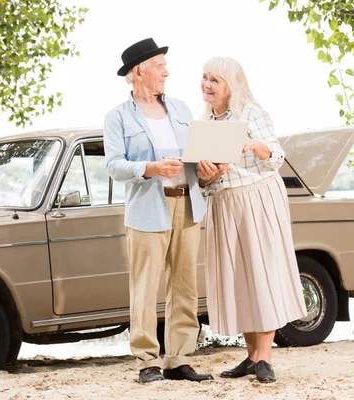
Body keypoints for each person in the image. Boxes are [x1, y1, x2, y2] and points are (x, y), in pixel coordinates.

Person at [104, 38, 213, 384]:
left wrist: (209, 169)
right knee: (145, 286)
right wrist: (150, 168)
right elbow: (114, 166)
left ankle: (179, 358)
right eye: (160, 65)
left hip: (187, 203)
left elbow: (197, 154)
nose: (167, 71)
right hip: (148, 207)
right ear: (139, 71)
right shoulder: (118, 117)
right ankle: (147, 360)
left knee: (184, 286)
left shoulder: (181, 109)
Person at [196, 56, 307, 383]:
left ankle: (265, 359)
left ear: (232, 83)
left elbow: (275, 157)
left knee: (262, 272)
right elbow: (204, 182)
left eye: (214, 79)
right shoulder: (205, 124)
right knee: (238, 277)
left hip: (257, 199)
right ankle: (250, 355)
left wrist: (256, 146)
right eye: (204, 78)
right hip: (225, 205)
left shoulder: (251, 113)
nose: (206, 84)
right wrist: (207, 174)